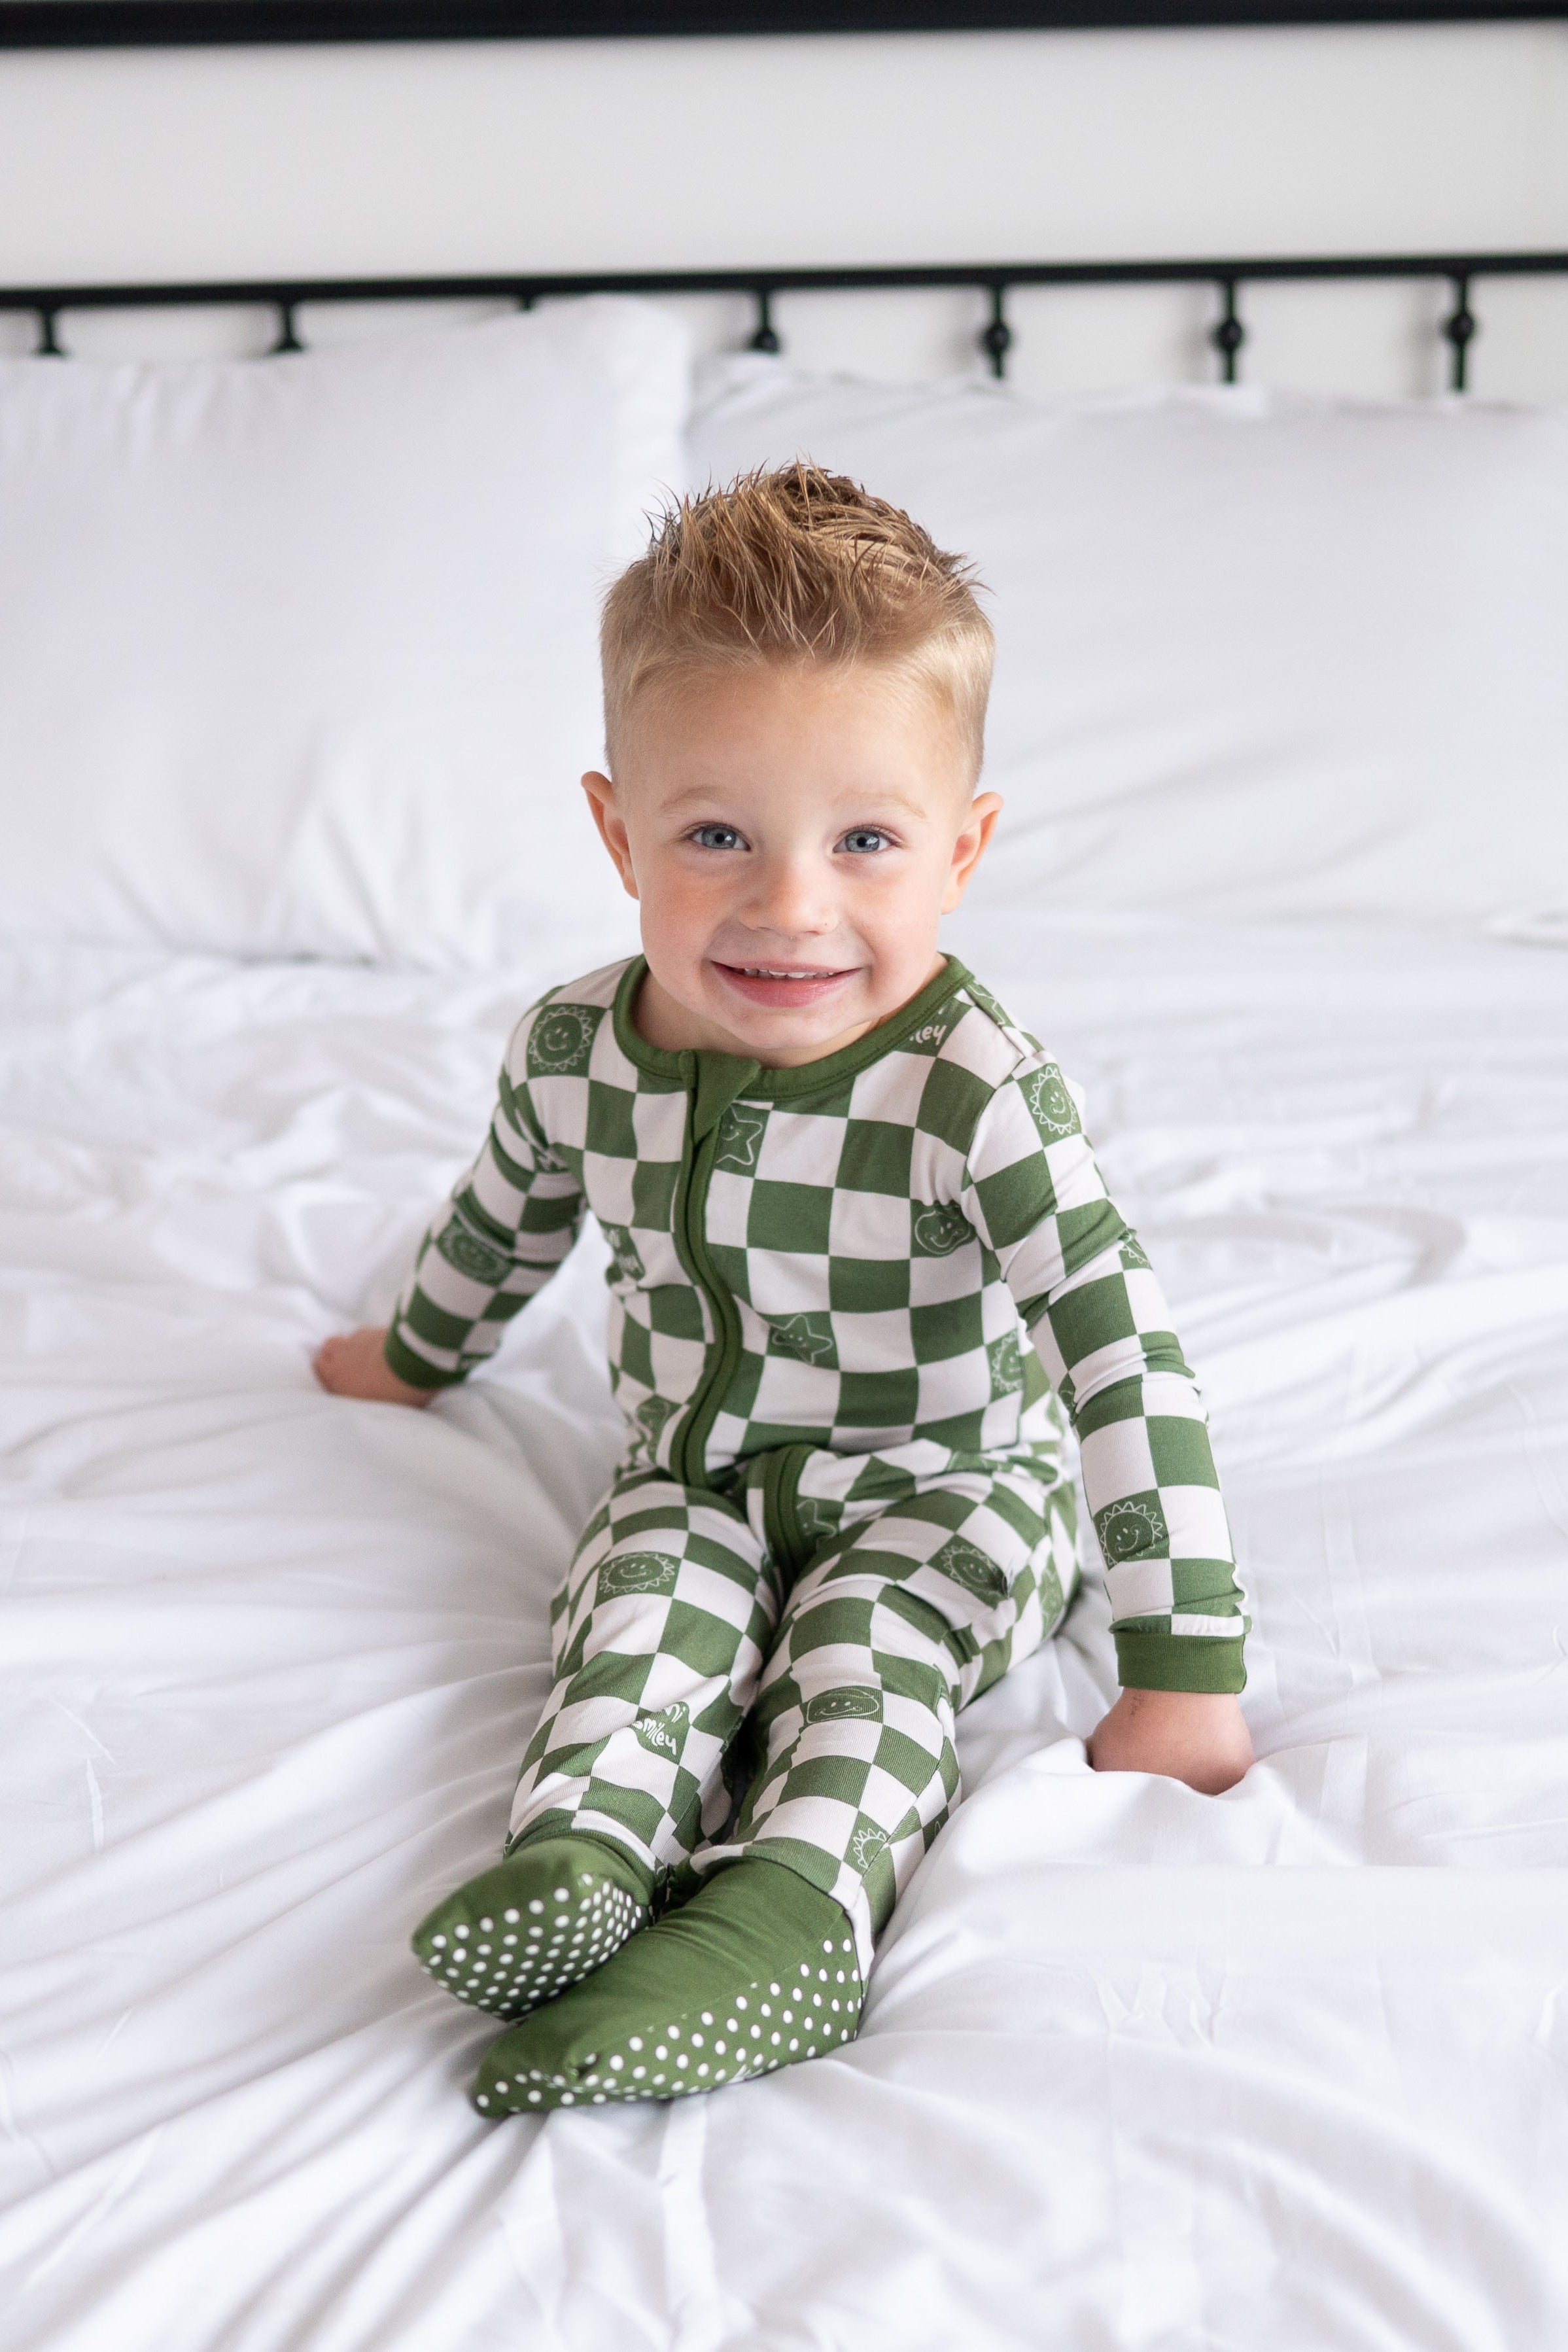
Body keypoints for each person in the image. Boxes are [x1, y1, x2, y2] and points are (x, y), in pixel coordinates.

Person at [315, 465, 1253, 2116]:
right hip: (696, 1468)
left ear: (960, 851)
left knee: (867, 1647)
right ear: (619, 833)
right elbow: (504, 1217)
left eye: (865, 841)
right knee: (637, 1619)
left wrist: (1181, 1665)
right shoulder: (578, 1047)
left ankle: (794, 1913)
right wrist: (412, 1353)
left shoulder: (971, 1088)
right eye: (716, 835)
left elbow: (1119, 1353)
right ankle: (583, 1862)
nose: (789, 906)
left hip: (949, 1485)